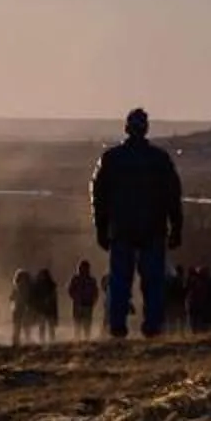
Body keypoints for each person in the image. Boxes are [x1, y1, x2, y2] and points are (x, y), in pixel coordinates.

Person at [90, 108, 184, 338]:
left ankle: (117, 325)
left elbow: (99, 196)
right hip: (153, 228)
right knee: (153, 281)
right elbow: (173, 195)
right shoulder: (159, 159)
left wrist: (100, 226)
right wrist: (176, 226)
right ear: (146, 128)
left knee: (120, 279)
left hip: (121, 228)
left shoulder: (112, 159)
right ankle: (152, 325)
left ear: (127, 128)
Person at [66, 261, 100, 337]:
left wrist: (93, 300)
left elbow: (95, 292)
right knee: (77, 325)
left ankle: (86, 339)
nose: (84, 269)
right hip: (78, 305)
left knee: (87, 325)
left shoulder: (91, 280)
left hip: (87, 305)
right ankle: (78, 339)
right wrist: (76, 297)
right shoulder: (76, 279)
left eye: (86, 267)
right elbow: (70, 290)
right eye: (83, 267)